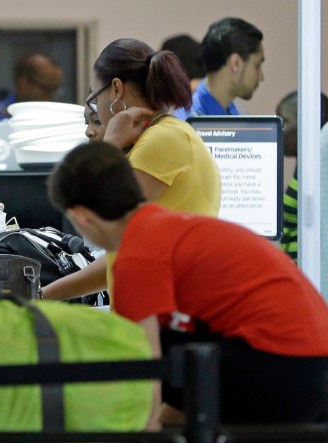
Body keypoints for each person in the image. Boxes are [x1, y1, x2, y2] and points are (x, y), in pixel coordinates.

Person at [47, 140, 328, 426]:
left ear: (79, 216)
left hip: (282, 370)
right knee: (177, 339)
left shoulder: (137, 255)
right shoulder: (167, 226)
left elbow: (145, 373)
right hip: (312, 367)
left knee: (151, 347)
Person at [42, 38, 220, 301]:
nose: (97, 113)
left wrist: (110, 144)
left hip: (171, 315)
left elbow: (96, 223)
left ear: (116, 89)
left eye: (95, 96)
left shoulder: (162, 140)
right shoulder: (161, 137)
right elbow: (118, 259)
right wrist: (41, 295)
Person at [175, 17, 264, 120]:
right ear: (236, 63)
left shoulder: (233, 110)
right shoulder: (188, 125)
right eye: (257, 65)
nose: (261, 77)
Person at [276, 91, 328, 262]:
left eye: (285, 120)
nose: (279, 128)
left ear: (306, 124)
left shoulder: (318, 174)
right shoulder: (304, 166)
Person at [0, 52, 63, 121]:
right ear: (23, 83)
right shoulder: (0, 121)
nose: (51, 96)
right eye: (46, 88)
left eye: (55, 89)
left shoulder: (61, 118)